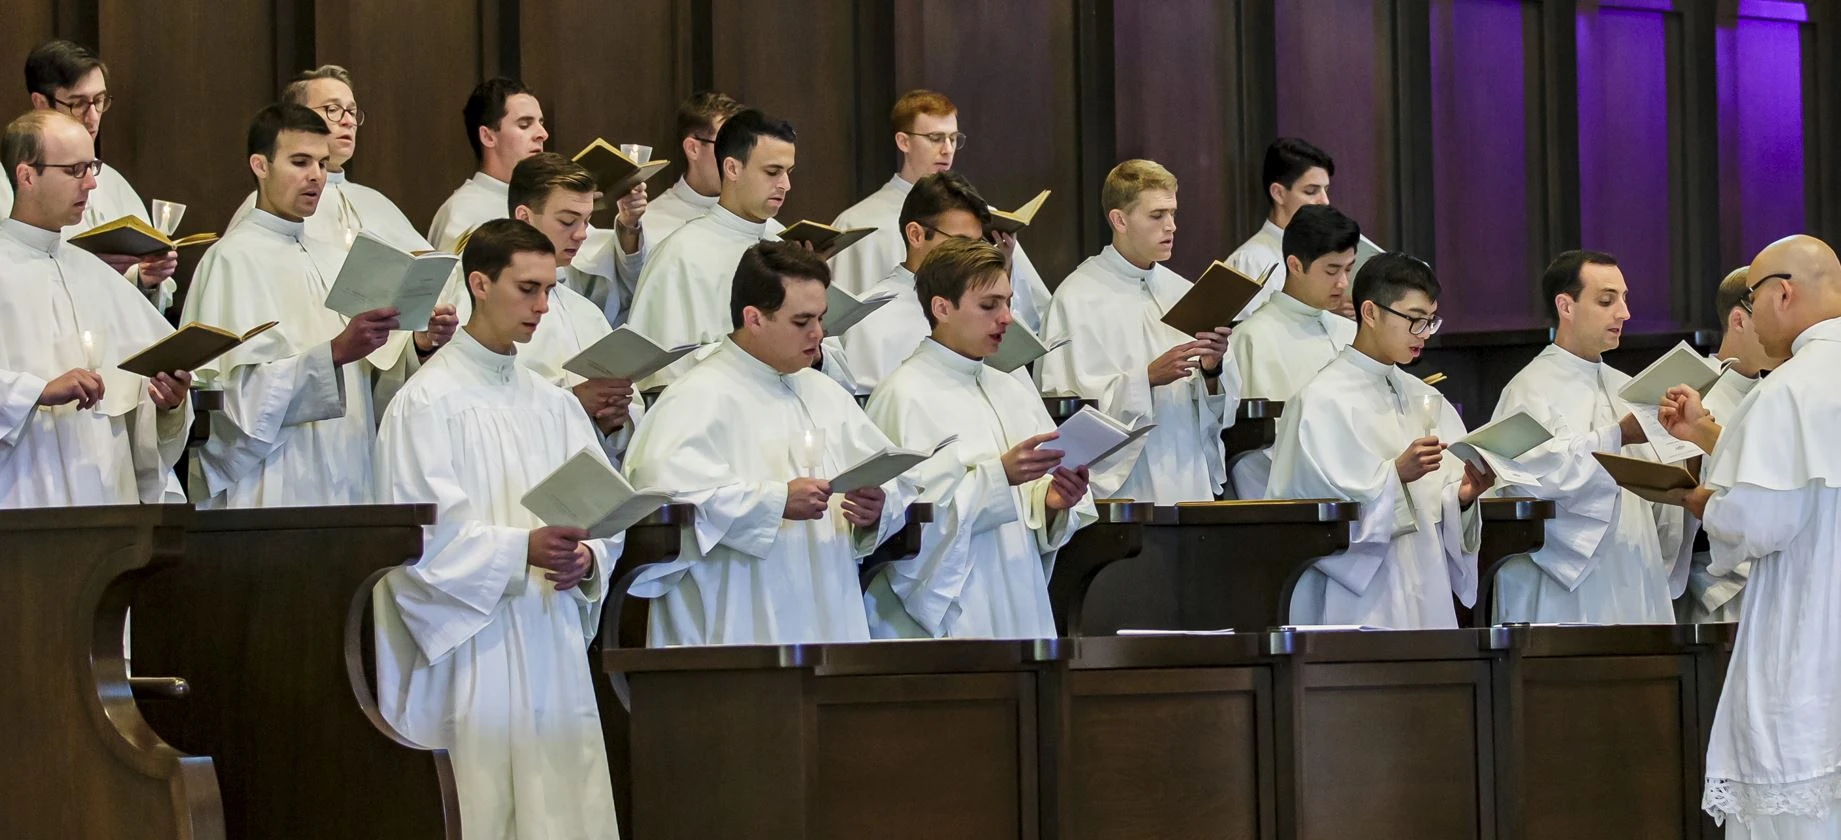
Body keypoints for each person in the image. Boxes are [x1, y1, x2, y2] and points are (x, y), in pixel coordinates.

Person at [371, 218, 622, 840]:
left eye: (549, 289)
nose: (542, 306)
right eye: (528, 288)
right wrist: (521, 550)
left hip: (551, 639)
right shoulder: (425, 403)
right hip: (473, 650)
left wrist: (588, 557)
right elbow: (413, 542)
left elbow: (604, 512)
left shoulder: (556, 404)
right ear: (479, 284)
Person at [622, 242, 916, 646]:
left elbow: (894, 478)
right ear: (754, 318)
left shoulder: (826, 394)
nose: (819, 334)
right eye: (802, 321)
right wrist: (776, 502)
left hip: (827, 608)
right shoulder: (696, 396)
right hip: (738, 618)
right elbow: (661, 501)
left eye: (821, 318)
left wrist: (878, 507)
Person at [1655, 234, 1841, 839]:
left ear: (1783, 293)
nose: (1749, 315)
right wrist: (1714, 440)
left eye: (1754, 297)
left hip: (1810, 632)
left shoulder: (1789, 386)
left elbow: (1760, 521)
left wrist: (1705, 503)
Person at [181, 104, 422, 507]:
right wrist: (333, 353)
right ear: (260, 165)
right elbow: (228, 402)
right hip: (273, 479)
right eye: (299, 162)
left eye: (323, 164)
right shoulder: (231, 259)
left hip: (346, 465)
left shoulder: (332, 257)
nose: (316, 176)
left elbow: (367, 388)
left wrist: (419, 345)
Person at [862, 238, 1096, 639]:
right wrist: (998, 477)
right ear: (942, 308)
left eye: (1007, 302)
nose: (1006, 318)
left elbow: (1038, 509)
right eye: (989, 306)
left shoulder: (1011, 389)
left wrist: (1053, 502)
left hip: (1017, 593)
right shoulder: (903, 394)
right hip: (954, 610)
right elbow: (899, 523)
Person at [1267, 253, 1492, 627]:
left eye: (1430, 321)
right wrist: (1395, 475)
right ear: (1370, 312)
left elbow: (1438, 502)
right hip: (1361, 595)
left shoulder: (1423, 395)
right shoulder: (1320, 400)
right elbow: (1307, 514)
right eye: (1414, 320)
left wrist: (1464, 497)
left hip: (1425, 579)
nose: (1424, 334)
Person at [1486, 250, 1691, 623]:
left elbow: (1657, 487)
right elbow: (1531, 478)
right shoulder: (1530, 389)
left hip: (1633, 566)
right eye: (1606, 301)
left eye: (1625, 299)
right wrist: (1618, 435)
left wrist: (1688, 443)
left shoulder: (1626, 387)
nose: (1624, 313)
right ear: (1566, 306)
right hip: (1561, 581)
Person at [0, 109, 191, 507]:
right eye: (74, 170)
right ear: (26, 176)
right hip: (24, 491)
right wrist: (37, 391)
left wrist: (169, 401)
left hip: (107, 491)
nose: (90, 184)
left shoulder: (95, 273)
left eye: (92, 167)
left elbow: (144, 398)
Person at [1037, 159, 1235, 504]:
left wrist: (1212, 369)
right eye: (1157, 216)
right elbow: (1061, 407)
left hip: (1186, 472)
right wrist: (1145, 379)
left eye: (1173, 213)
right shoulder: (1076, 298)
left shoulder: (1185, 291)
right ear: (1120, 220)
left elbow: (1217, 408)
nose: (1171, 226)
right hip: (1126, 487)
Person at [624, 108, 857, 392]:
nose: (786, 185)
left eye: (788, 172)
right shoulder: (680, 255)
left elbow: (835, 368)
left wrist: (814, 351)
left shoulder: (785, 245)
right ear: (732, 168)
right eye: (772, 172)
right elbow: (661, 377)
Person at [438, 153, 642, 451]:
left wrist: (613, 420)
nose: (583, 234)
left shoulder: (586, 313)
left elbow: (627, 417)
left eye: (586, 221)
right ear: (524, 217)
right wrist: (573, 403)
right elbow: (473, 408)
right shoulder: (479, 302)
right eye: (568, 221)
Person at [827, 89, 1053, 331]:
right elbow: (840, 321)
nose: (947, 149)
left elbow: (1034, 313)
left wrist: (1004, 265)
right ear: (904, 141)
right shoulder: (857, 221)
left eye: (953, 138)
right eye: (935, 138)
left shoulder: (983, 216)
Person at [426, 77, 645, 298]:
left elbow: (596, 280)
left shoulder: (551, 194)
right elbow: (459, 298)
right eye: (525, 124)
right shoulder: (464, 212)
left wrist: (628, 225)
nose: (542, 134)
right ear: (488, 136)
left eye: (541, 122)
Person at [5, 40, 178, 309]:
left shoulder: (112, 182)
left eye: (99, 100)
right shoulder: (10, 184)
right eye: (78, 104)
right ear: (40, 103)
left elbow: (149, 301)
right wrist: (83, 269)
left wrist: (146, 278)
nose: (93, 116)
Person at [1675, 266, 1786, 623]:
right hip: (1715, 588)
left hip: (1782, 579)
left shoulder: (1785, 393)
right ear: (1738, 320)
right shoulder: (1689, 392)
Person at [1227, 203, 1360, 497]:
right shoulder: (1252, 338)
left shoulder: (1350, 332)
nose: (1343, 283)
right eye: (1332, 270)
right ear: (1296, 265)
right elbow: (1252, 447)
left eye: (1348, 269)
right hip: (1288, 502)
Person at [227, 65, 430, 254]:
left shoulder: (376, 202)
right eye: (333, 110)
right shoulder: (269, 207)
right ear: (298, 116)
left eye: (351, 112)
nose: (348, 121)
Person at [838, 171, 1010, 391]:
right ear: (916, 235)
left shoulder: (990, 312)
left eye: (978, 244)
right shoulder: (868, 319)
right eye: (961, 242)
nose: (971, 255)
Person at [1225, 137, 1377, 319]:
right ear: (1278, 193)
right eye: (1311, 191)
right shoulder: (1250, 261)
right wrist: (1324, 310)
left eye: (1326, 190)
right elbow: (1248, 334)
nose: (1325, 201)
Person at [635, 90, 743, 243]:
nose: (737, 160)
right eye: (727, 145)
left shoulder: (759, 221)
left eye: (742, 147)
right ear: (693, 148)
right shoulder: (648, 226)